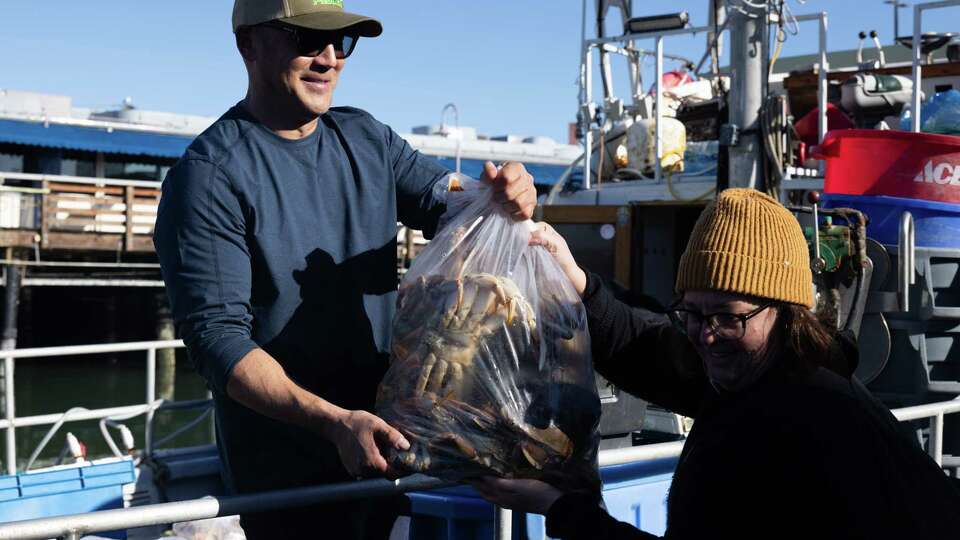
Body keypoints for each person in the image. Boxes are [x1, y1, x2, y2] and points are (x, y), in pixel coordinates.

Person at [153, 1, 538, 538]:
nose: (329, 58)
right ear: (248, 44)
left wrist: (501, 194)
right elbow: (219, 343)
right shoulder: (209, 177)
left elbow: (445, 201)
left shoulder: (366, 138)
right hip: (289, 480)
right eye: (306, 39)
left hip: (392, 451)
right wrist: (335, 423)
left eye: (342, 43)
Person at [473, 188, 960, 539]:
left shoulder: (794, 424)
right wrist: (578, 282)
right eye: (692, 311)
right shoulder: (766, 369)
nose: (706, 335)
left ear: (786, 311)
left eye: (727, 316)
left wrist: (557, 508)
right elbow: (653, 349)